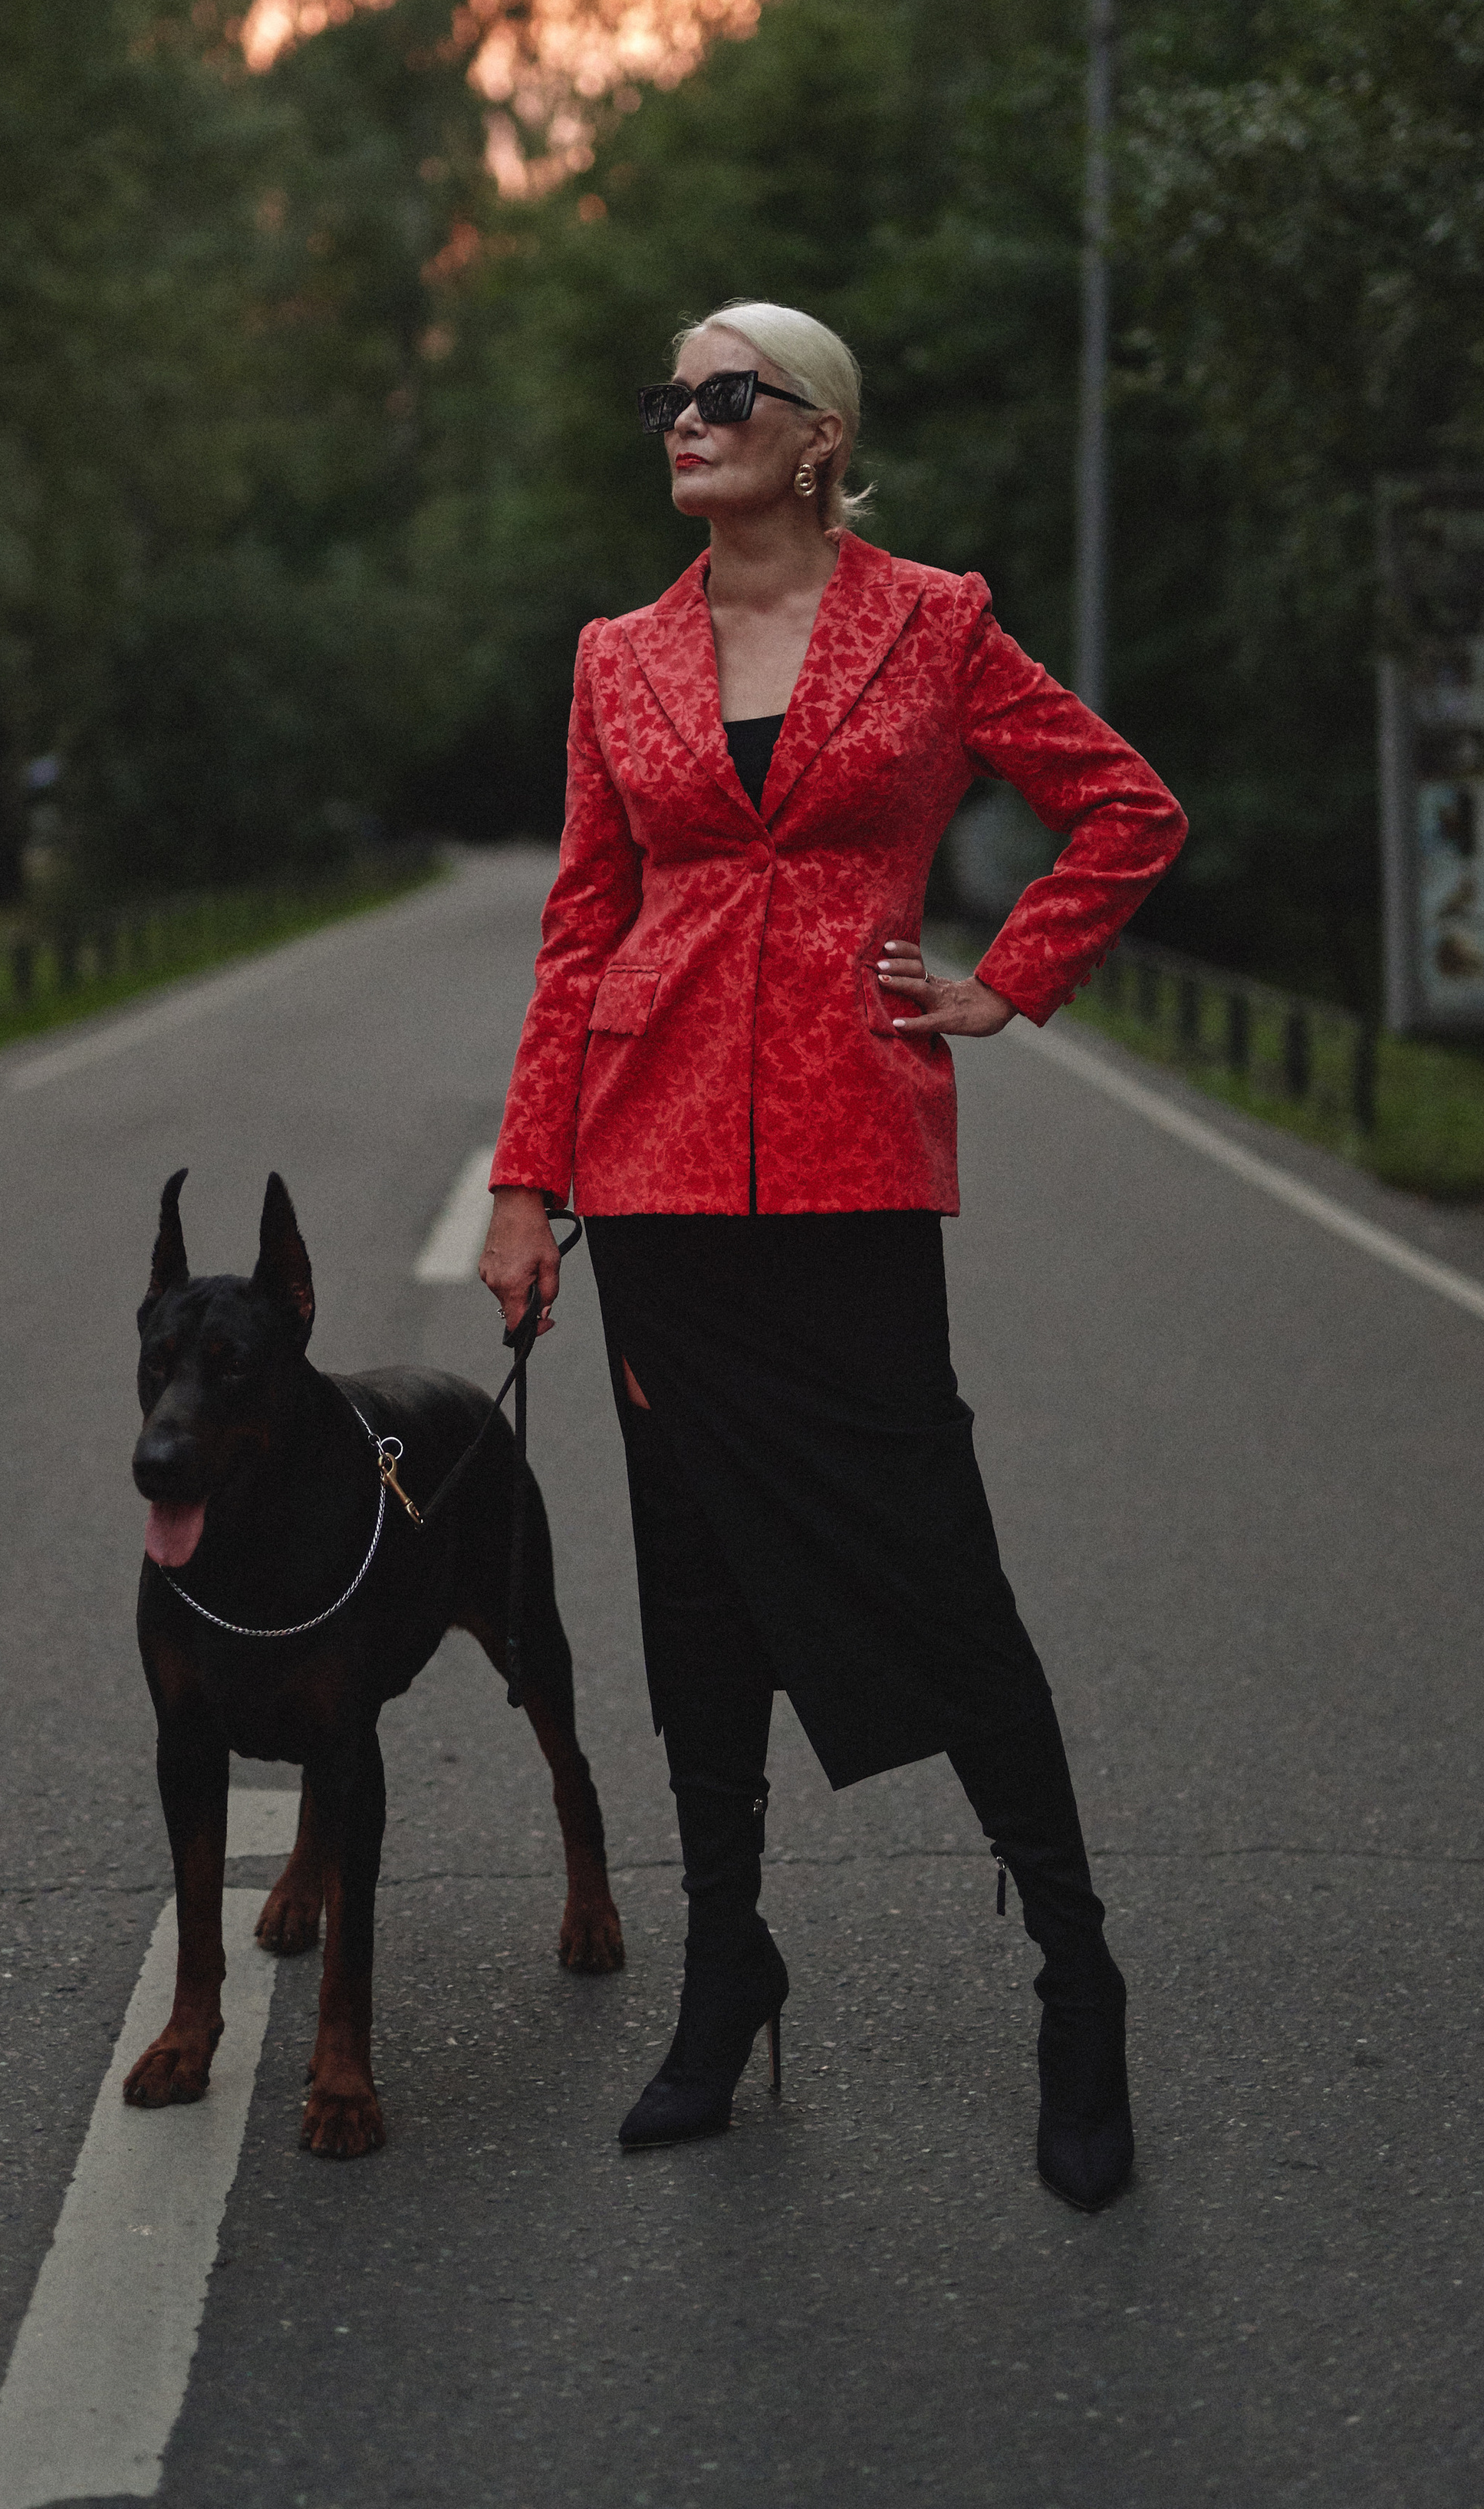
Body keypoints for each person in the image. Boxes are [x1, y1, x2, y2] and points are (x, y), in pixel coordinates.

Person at [479, 300, 1185, 2211]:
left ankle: (1077, 1981)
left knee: (937, 1572)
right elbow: (578, 924)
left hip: (854, 1166)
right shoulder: (616, 656)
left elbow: (1126, 808)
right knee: (696, 1592)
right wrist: (526, 1182)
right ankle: (725, 1968)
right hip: (653, 1181)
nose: (685, 418)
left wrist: (1006, 980)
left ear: (819, 438)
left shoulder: (932, 626)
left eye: (727, 393)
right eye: (669, 395)